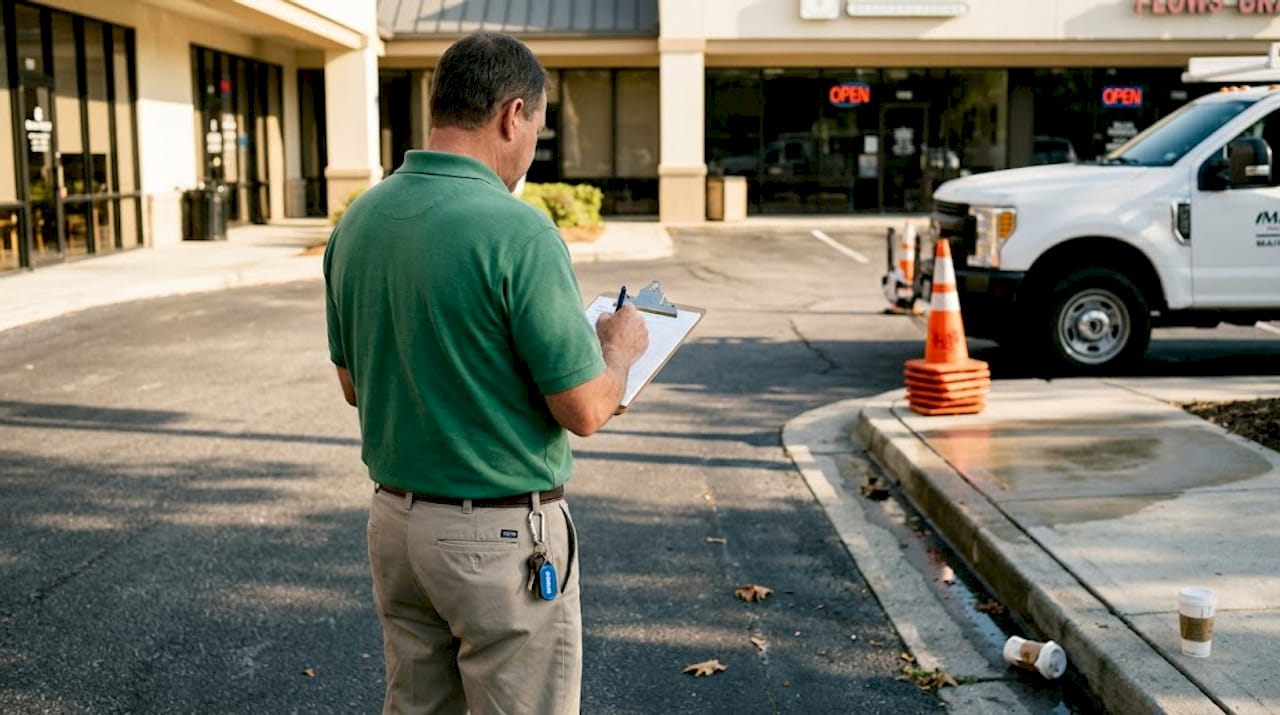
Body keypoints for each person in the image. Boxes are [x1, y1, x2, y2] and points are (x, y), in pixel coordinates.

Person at [323, 31, 648, 715]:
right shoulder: (518, 232)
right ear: (512, 114)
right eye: (538, 128)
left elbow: (354, 387)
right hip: (498, 541)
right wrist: (618, 349)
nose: (533, 145)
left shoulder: (360, 221)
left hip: (397, 527)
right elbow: (586, 409)